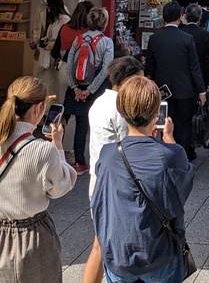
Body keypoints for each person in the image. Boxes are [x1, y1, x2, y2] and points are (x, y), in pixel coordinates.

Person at [93, 76, 195, 283]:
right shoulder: (172, 154)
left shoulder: (108, 154)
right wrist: (170, 140)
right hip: (158, 254)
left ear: (122, 111)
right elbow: (181, 190)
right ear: (157, 112)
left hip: (118, 254)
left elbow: (99, 203)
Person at [0, 76, 77, 282]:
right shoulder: (44, 150)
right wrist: (58, 146)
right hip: (33, 236)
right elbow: (61, 186)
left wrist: (39, 107)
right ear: (39, 108)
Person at [83, 57, 146, 283]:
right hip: (117, 182)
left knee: (101, 241)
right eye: (139, 79)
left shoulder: (99, 102)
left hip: (97, 177)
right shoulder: (121, 108)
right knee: (106, 244)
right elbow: (131, 143)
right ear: (127, 79)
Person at [144, 1, 207, 161]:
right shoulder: (187, 39)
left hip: (162, 91)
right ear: (180, 17)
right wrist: (201, 90)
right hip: (185, 89)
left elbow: (149, 68)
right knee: (184, 126)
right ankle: (182, 157)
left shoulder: (155, 39)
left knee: (163, 123)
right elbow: (194, 67)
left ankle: (165, 155)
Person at [65, 6, 115, 173]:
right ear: (104, 23)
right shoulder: (106, 42)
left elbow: (70, 66)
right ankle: (100, 162)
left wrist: (76, 88)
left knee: (81, 124)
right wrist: (91, 90)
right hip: (98, 90)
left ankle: (79, 163)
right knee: (100, 125)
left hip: (77, 88)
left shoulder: (78, 39)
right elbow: (106, 69)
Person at [35, 0, 70, 98]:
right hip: (49, 56)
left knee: (56, 84)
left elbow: (65, 39)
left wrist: (54, 43)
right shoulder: (54, 19)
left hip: (58, 56)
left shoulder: (64, 19)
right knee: (48, 82)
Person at [181, 3, 209, 102]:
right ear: (200, 17)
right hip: (201, 76)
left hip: (182, 77)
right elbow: (208, 60)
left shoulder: (180, 33)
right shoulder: (206, 36)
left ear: (185, 16)